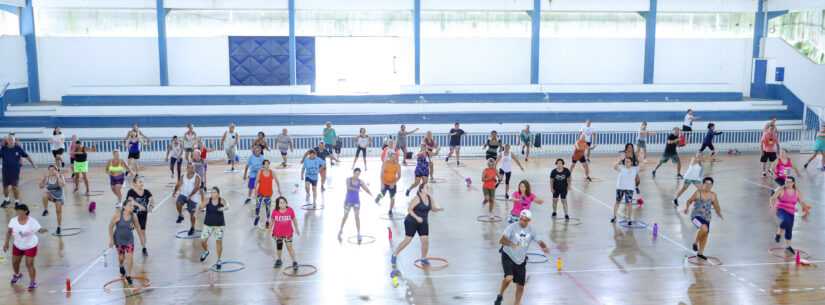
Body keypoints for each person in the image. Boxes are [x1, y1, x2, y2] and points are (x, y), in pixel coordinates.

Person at [494, 210, 550, 305]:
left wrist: (544, 247)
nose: (522, 222)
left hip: (520, 260)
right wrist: (512, 244)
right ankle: (500, 295)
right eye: (521, 219)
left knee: (520, 286)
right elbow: (502, 240)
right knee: (509, 278)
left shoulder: (531, 230)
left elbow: (539, 241)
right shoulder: (512, 227)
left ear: (529, 220)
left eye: (525, 220)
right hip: (508, 255)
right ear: (519, 218)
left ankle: (517, 303)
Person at [390, 186, 443, 268]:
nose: (428, 189)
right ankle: (395, 254)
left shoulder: (429, 198)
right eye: (426, 188)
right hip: (411, 221)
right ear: (421, 190)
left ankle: (423, 258)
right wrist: (417, 218)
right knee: (407, 240)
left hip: (423, 222)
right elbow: (409, 209)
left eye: (428, 188)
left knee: (425, 241)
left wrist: (438, 209)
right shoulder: (417, 198)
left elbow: (433, 208)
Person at [682, 177, 723, 261]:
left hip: (707, 217)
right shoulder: (698, 193)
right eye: (706, 184)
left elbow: (716, 205)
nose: (708, 186)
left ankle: (700, 253)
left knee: (705, 234)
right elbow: (689, 201)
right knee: (704, 228)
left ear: (712, 185)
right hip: (696, 216)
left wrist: (719, 213)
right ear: (703, 184)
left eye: (710, 184)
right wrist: (686, 208)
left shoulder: (713, 195)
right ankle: (695, 243)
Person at [769, 176, 811, 255]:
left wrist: (806, 210)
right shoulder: (781, 189)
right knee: (786, 220)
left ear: (793, 183)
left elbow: (802, 202)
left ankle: (788, 246)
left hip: (791, 212)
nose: (787, 183)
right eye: (786, 181)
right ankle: (778, 234)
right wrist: (772, 206)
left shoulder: (797, 192)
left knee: (789, 229)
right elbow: (772, 198)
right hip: (781, 210)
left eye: (789, 182)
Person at [3, 204, 42, 290]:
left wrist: (42, 230)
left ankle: (33, 282)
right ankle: (17, 275)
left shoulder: (32, 221)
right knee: (15, 262)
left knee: (29, 264)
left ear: (25, 211)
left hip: (30, 245)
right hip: (18, 245)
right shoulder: (13, 220)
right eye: (17, 210)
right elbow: (9, 232)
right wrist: (6, 243)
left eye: (20, 210)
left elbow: (39, 229)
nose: (18, 212)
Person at [108, 199, 143, 286]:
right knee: (121, 258)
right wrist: (111, 240)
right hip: (119, 239)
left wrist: (141, 238)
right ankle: (121, 266)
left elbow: (138, 227)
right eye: (130, 205)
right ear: (124, 207)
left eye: (132, 205)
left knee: (130, 257)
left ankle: (128, 275)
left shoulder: (133, 216)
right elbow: (110, 227)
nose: (132, 207)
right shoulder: (118, 215)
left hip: (129, 240)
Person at [337, 168, 373, 243]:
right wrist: (357, 189)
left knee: (357, 217)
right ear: (353, 173)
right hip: (348, 201)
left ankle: (358, 233)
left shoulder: (360, 181)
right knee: (345, 216)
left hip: (356, 201)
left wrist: (371, 194)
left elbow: (366, 188)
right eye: (356, 173)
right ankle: (340, 230)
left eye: (358, 174)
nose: (357, 175)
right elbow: (348, 187)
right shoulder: (348, 179)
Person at [1, 135, 35, 208]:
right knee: (5, 186)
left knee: (14, 186)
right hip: (5, 170)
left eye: (12, 140)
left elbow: (26, 156)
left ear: (14, 141)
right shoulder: (3, 149)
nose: (10, 141)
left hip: (15, 171)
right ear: (7, 141)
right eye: (9, 140)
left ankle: (17, 202)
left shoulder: (18, 148)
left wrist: (33, 164)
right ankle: (6, 200)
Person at [199, 186, 229, 269]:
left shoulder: (221, 200)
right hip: (208, 224)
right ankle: (206, 251)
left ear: (218, 194)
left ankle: (219, 259)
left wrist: (223, 208)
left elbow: (227, 205)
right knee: (202, 241)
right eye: (211, 192)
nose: (212, 194)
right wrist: (201, 206)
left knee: (218, 242)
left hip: (219, 225)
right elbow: (200, 207)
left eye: (214, 192)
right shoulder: (207, 200)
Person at [126, 176, 154, 256]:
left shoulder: (147, 192)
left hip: (143, 215)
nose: (142, 183)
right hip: (133, 214)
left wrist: (150, 207)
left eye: (142, 182)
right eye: (140, 182)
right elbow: (131, 201)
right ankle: (125, 245)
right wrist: (139, 206)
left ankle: (144, 247)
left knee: (142, 232)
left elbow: (152, 200)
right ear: (134, 183)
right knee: (132, 230)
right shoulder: (131, 191)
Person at [271, 196, 299, 271]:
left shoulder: (290, 210)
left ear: (286, 203)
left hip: (288, 233)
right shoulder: (275, 212)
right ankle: (279, 260)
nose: (282, 204)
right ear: (278, 205)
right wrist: (270, 231)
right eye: (280, 203)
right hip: (278, 234)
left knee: (289, 247)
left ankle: (294, 262)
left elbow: (294, 219)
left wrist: (297, 228)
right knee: (279, 247)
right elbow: (272, 221)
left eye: (284, 202)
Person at [174, 164, 203, 236]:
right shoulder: (183, 176)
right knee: (178, 203)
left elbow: (196, 188)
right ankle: (180, 215)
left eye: (192, 168)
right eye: (189, 168)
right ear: (187, 168)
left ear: (194, 168)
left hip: (193, 197)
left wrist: (190, 196)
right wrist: (174, 191)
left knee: (192, 215)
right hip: (183, 194)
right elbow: (178, 184)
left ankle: (192, 227)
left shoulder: (197, 177)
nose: (190, 169)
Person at [611, 151, 639, 224]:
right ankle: (614, 217)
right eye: (626, 161)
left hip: (629, 189)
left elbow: (642, 166)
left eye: (628, 162)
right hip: (620, 188)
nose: (627, 163)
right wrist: (619, 160)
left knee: (629, 204)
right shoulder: (621, 168)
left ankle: (629, 219)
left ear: (631, 163)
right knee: (617, 202)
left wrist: (642, 159)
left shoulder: (634, 169)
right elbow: (614, 166)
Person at [253, 160, 282, 227]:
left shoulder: (272, 172)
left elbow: (277, 181)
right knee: (257, 206)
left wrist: (279, 189)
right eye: (265, 164)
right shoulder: (260, 172)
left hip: (268, 193)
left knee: (268, 207)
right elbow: (256, 181)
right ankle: (257, 216)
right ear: (263, 165)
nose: (267, 166)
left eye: (268, 164)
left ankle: (267, 220)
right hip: (260, 193)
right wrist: (255, 191)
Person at [39, 165, 65, 234]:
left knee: (58, 211)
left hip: (59, 196)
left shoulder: (60, 176)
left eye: (53, 170)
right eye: (50, 170)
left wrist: (57, 177)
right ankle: (46, 210)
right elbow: (40, 186)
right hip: (51, 195)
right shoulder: (47, 178)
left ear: (56, 170)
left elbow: (62, 185)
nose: (52, 171)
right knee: (44, 194)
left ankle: (59, 226)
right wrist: (43, 180)